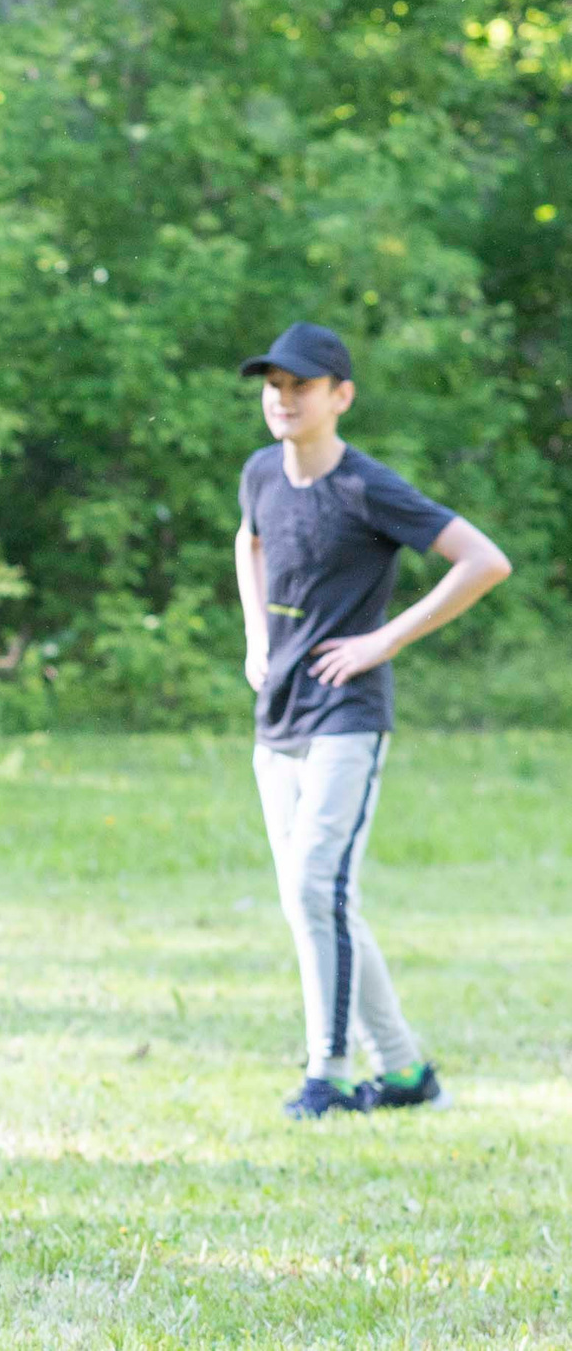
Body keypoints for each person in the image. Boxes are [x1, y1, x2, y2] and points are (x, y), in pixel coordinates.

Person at [233, 322, 511, 1119]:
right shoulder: (260, 471)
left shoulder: (367, 486)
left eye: (302, 386)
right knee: (314, 899)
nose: (283, 399)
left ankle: (326, 1073)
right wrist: (256, 637)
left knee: (316, 886)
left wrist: (383, 640)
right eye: (274, 385)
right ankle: (407, 1073)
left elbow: (484, 560)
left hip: (347, 716)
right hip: (278, 713)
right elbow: (249, 542)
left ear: (341, 396)